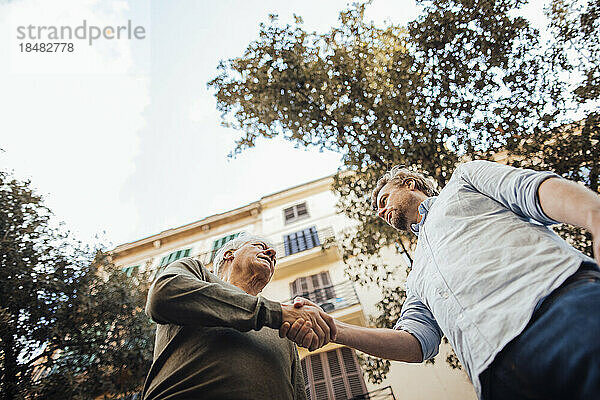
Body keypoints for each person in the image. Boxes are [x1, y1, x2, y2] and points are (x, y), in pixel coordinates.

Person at [282, 160, 600, 400]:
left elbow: (534, 190)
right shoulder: (417, 276)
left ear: (408, 183)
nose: (380, 212)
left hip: (559, 310)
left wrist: (594, 217)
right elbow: (416, 343)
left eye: (383, 200)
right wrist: (334, 328)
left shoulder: (464, 180)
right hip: (497, 378)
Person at [142, 234, 336, 400]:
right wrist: (279, 312)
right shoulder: (196, 272)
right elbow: (162, 294)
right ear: (229, 254)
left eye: (274, 259)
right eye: (259, 247)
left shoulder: (283, 328)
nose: (272, 254)